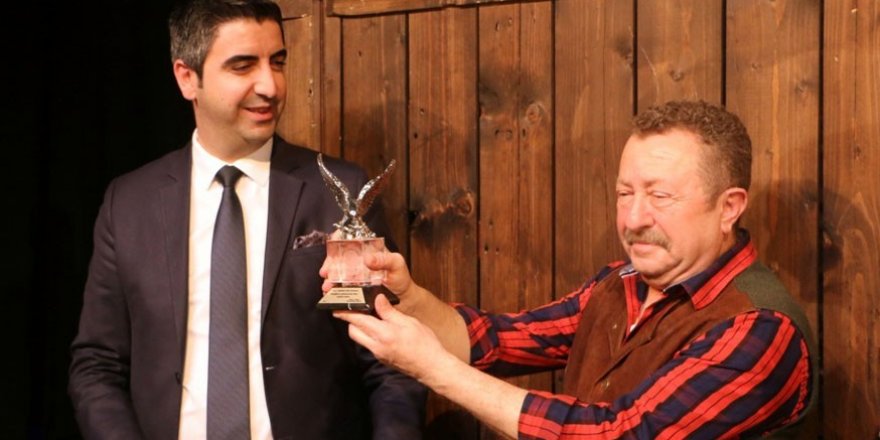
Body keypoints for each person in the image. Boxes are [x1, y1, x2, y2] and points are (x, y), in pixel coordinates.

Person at [329, 100, 817, 439]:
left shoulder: (759, 328)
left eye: (660, 196)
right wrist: (409, 298)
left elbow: (621, 434)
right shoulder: (619, 284)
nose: (633, 218)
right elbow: (495, 340)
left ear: (729, 207)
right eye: (625, 193)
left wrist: (436, 370)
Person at [68, 1, 425, 439]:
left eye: (277, 62)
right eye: (243, 66)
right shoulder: (129, 203)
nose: (270, 85)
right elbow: (97, 365)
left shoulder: (338, 191)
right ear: (187, 77)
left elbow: (392, 361)